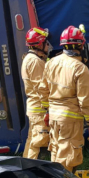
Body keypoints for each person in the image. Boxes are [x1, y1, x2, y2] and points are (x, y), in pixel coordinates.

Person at [39, 25, 89, 172]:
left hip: (53, 116)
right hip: (70, 119)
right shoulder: (80, 68)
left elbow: (42, 90)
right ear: (81, 45)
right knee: (69, 155)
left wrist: (47, 110)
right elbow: (85, 100)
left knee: (56, 150)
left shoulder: (51, 62)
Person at [21, 27, 51, 159]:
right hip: (39, 109)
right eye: (46, 42)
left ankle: (26, 169)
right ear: (39, 44)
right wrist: (48, 109)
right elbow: (42, 88)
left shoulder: (30, 58)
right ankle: (36, 171)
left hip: (35, 107)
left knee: (33, 141)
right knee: (41, 142)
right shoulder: (35, 62)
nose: (48, 46)